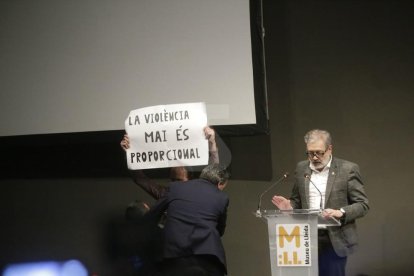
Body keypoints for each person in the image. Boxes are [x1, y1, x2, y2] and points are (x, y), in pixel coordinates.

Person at [271, 129, 369, 276]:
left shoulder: (347, 169)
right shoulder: (301, 168)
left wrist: (340, 212)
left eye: (319, 152)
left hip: (334, 238)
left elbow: (362, 204)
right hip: (306, 238)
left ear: (330, 149)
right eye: (310, 153)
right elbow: (297, 201)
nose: (315, 157)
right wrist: (289, 207)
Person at [148, 163, 230, 276]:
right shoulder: (222, 197)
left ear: (203, 175)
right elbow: (220, 230)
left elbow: (151, 216)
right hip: (209, 260)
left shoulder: (176, 187)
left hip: (174, 258)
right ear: (220, 183)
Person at [120, 126, 219, 199]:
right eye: (173, 180)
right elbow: (139, 178)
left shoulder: (199, 193)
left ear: (189, 178)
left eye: (179, 181)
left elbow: (213, 175)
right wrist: (130, 153)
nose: (175, 185)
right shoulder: (165, 194)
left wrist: (212, 142)